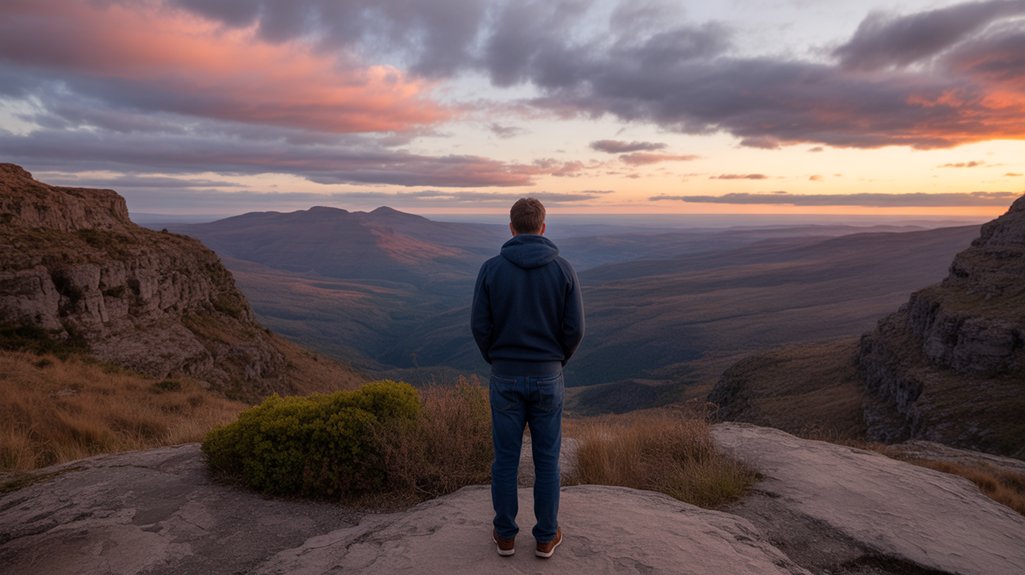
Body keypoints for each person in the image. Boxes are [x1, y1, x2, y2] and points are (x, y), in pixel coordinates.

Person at [471, 197, 585, 559]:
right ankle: (546, 537)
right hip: (548, 376)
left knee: (505, 459)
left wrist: (496, 357)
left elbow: (479, 325)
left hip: (504, 375)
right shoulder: (564, 270)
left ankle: (505, 536)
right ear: (543, 227)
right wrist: (556, 361)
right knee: (547, 460)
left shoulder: (491, 269)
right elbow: (575, 329)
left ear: (511, 227)